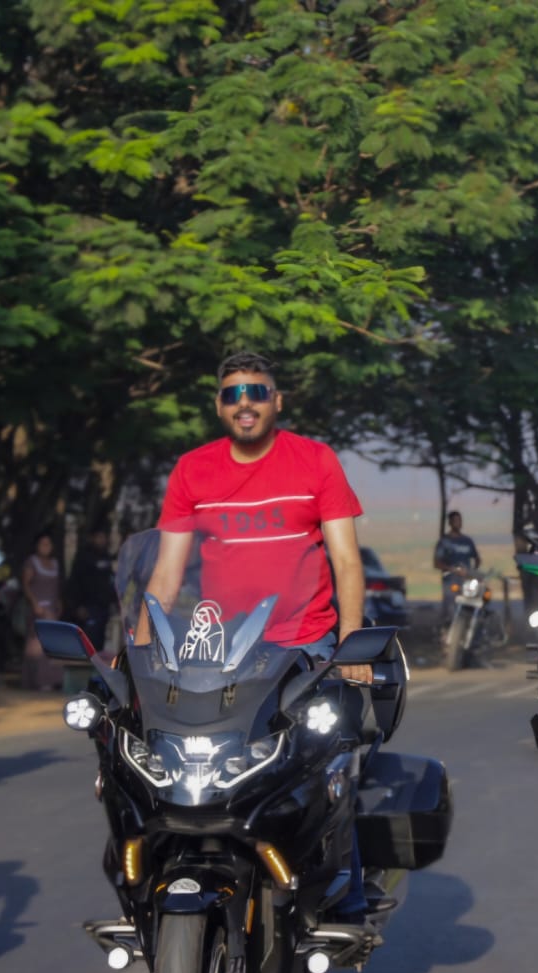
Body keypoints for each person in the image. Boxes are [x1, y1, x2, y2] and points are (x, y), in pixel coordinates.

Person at [137, 350, 373, 921]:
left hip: (305, 645)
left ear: (277, 401)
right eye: (233, 394)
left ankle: (347, 898)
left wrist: (351, 645)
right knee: (186, 763)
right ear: (219, 406)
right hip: (219, 651)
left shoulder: (314, 461)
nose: (245, 404)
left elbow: (346, 561)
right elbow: (166, 575)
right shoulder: (193, 470)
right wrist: (139, 656)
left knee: (326, 761)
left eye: (257, 392)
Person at [64, 525, 121, 651]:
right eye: (99, 537)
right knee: (87, 643)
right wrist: (78, 606)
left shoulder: (106, 557)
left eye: (104, 537)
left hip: (103, 609)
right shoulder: (83, 557)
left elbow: (111, 582)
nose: (102, 540)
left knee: (99, 644)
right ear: (92, 538)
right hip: (87, 608)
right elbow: (75, 583)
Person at [21, 532, 64, 690]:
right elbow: (26, 585)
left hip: (51, 609)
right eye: (43, 544)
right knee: (37, 646)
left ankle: (51, 680)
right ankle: (37, 681)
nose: (46, 547)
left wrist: (58, 601)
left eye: (48, 544)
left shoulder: (55, 563)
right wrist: (34, 604)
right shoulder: (31, 562)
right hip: (38, 609)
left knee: (51, 644)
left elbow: (55, 586)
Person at [434, 511, 481, 621]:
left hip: (466, 580)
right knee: (451, 607)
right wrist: (452, 569)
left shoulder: (467, 541)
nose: (458, 523)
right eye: (455, 521)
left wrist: (472, 572)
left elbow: (477, 558)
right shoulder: (445, 542)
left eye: (460, 520)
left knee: (470, 605)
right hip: (451, 581)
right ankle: (448, 625)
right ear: (450, 523)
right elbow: (437, 563)